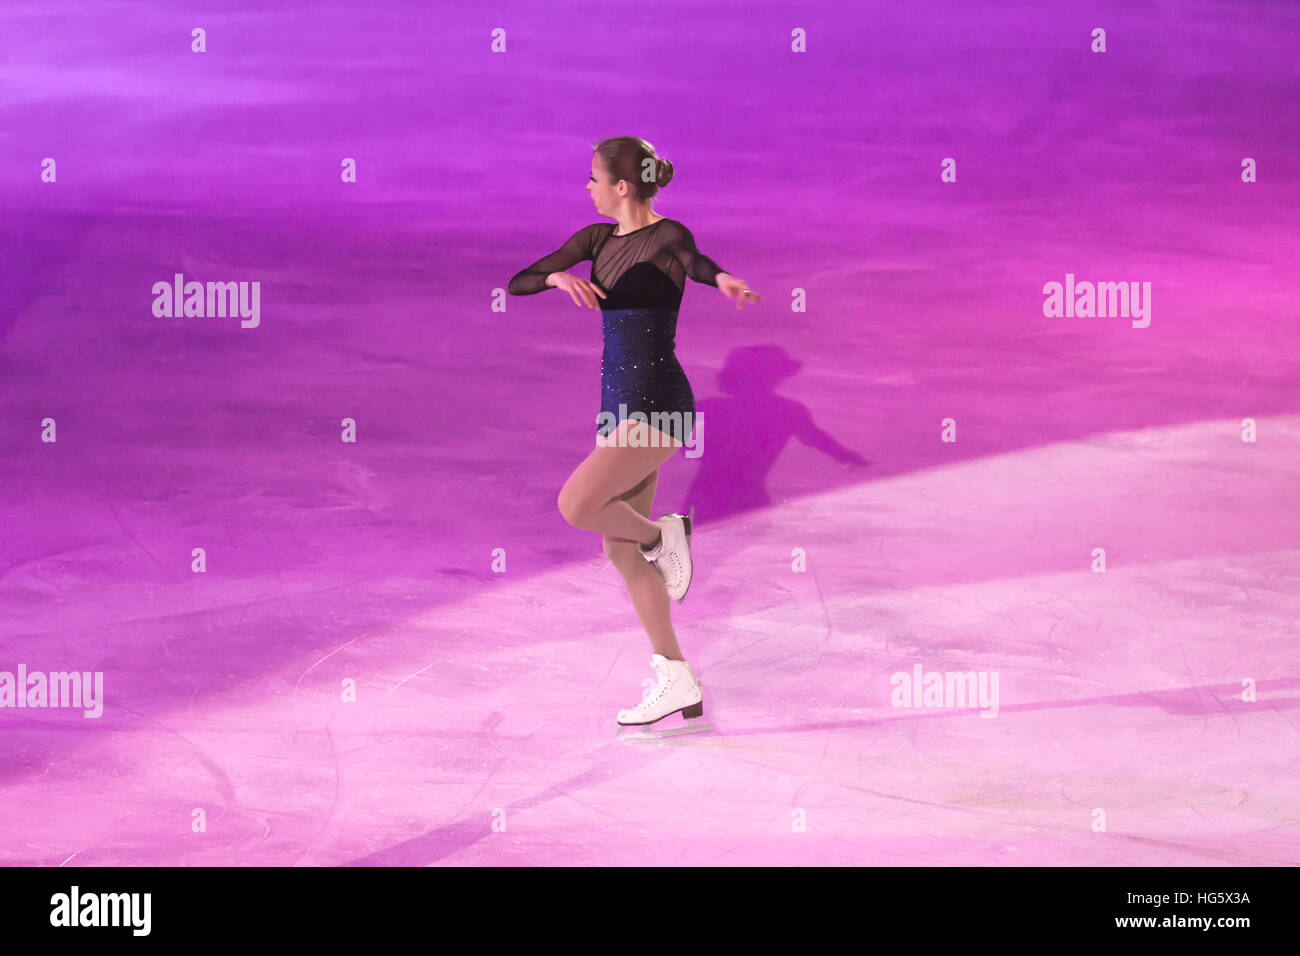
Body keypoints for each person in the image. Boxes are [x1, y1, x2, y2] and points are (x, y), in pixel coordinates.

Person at [508, 136, 761, 726]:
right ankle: (675, 676)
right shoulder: (595, 240)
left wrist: (722, 279)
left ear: (622, 186)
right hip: (616, 408)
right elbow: (520, 278)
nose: (587, 186)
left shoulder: (668, 237)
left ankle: (662, 534)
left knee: (576, 505)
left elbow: (698, 264)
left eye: (594, 177)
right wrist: (555, 281)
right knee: (617, 548)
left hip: (660, 405)